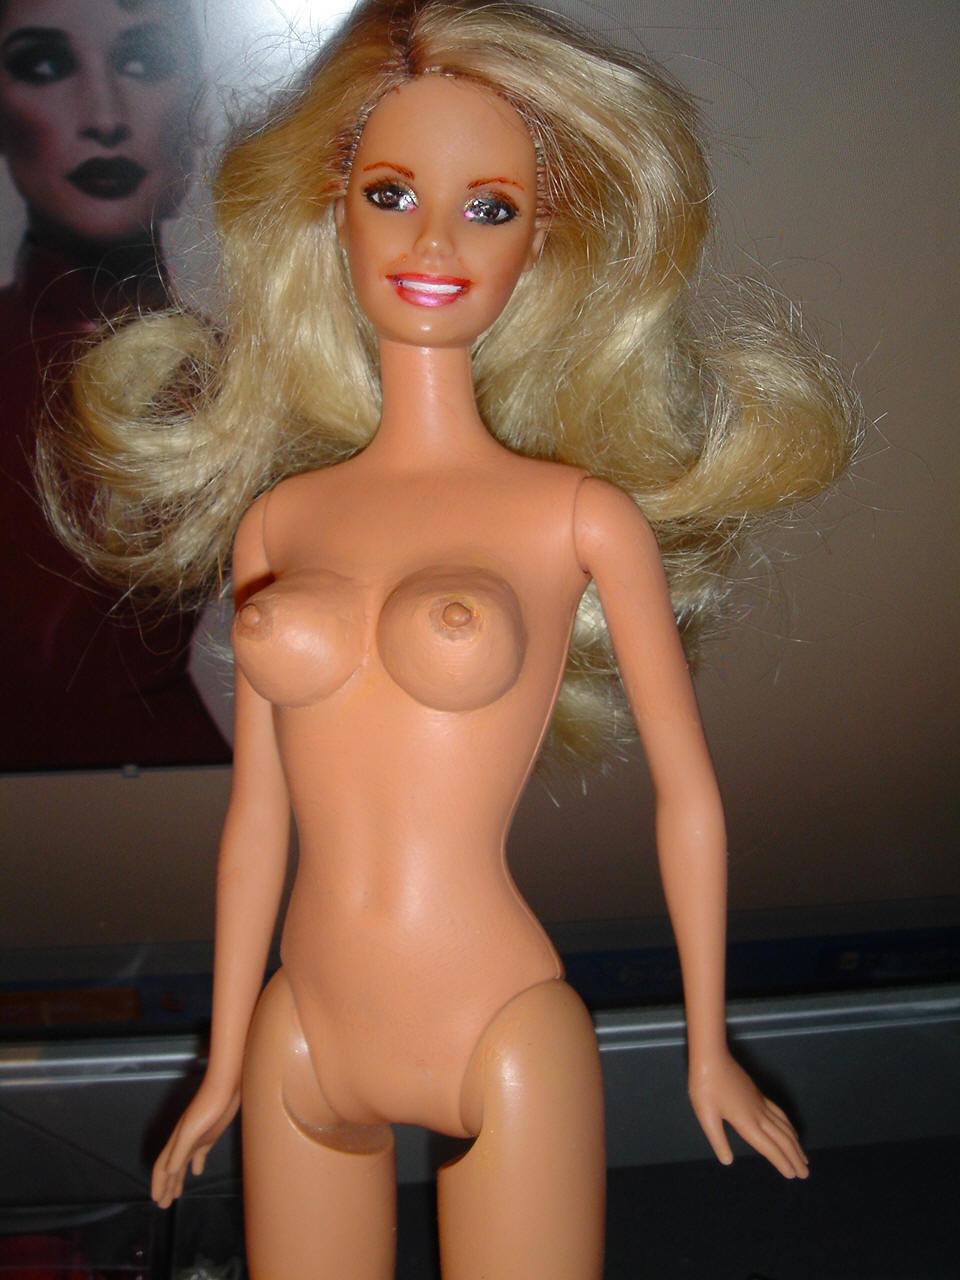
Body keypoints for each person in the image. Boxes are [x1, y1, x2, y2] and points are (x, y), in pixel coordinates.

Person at [41, 1, 857, 1274]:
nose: (434, 241)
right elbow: (257, 818)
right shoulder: (281, 521)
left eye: (489, 206)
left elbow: (689, 794)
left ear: (544, 236)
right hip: (302, 1023)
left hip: (496, 1023)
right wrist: (222, 1060)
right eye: (391, 193)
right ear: (334, 209)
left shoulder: (575, 516)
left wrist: (710, 1046)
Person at [0, 0, 228, 769]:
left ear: (195, 109)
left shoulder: (250, 384)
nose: (103, 117)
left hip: (172, 808)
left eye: (143, 61)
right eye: (44, 65)